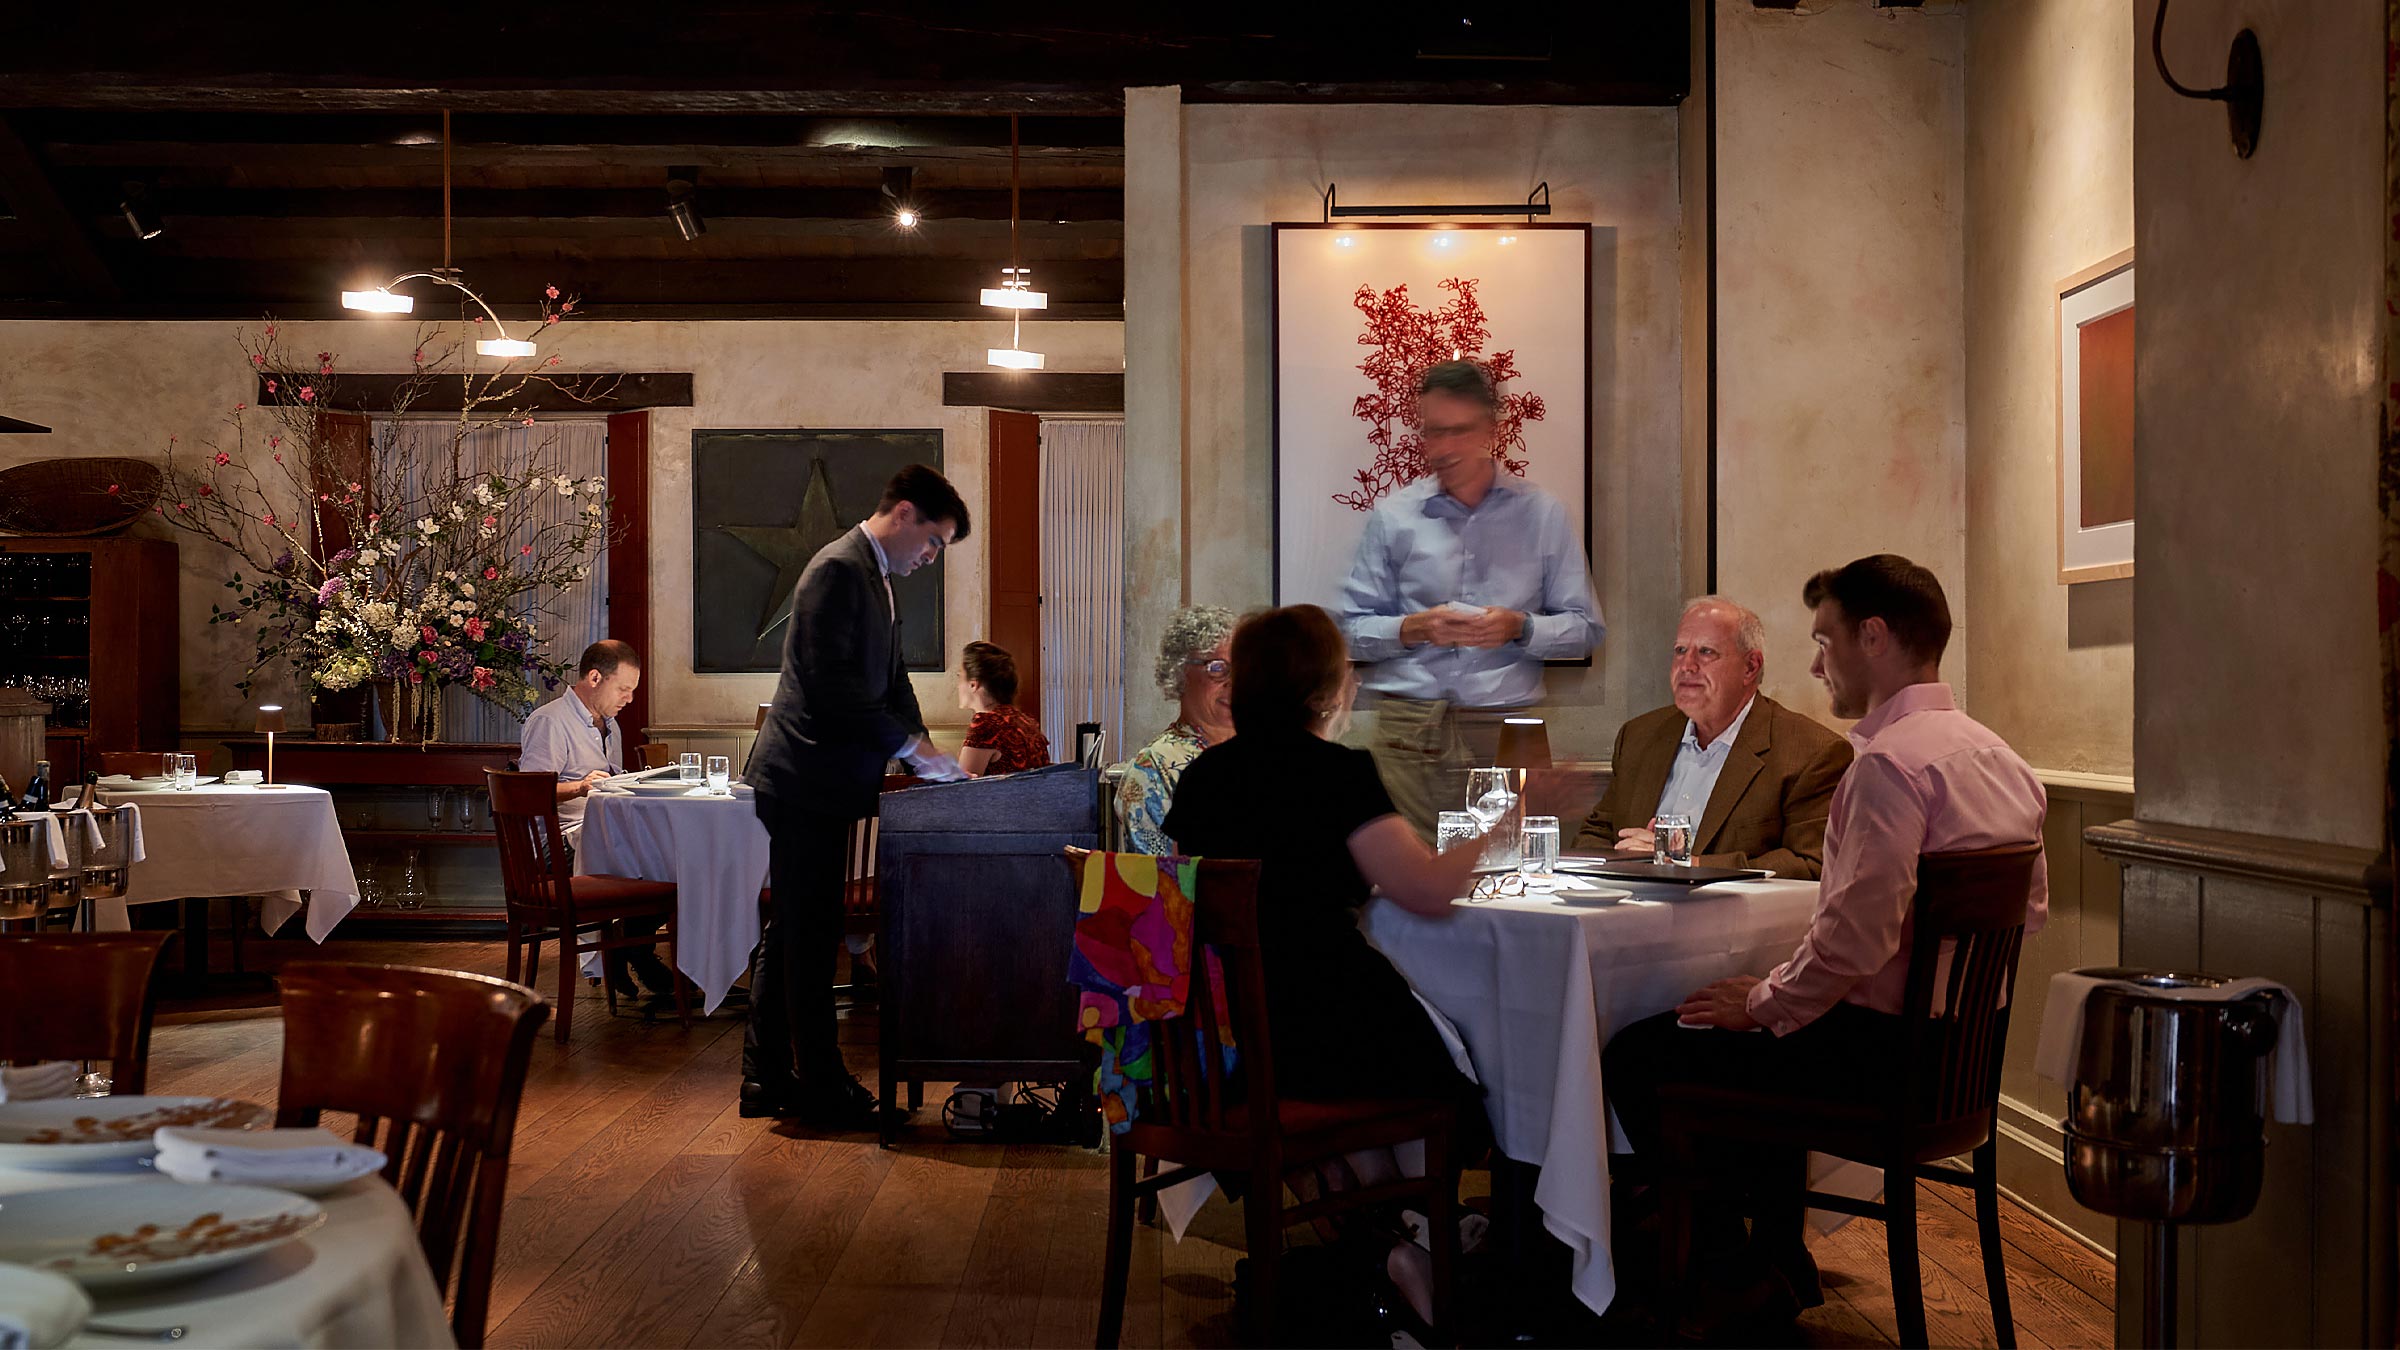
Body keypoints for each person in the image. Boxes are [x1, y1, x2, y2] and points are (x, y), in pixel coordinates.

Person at [1602, 555, 2047, 1327]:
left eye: (1824, 640)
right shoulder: (2003, 760)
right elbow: (2030, 912)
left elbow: (1853, 943)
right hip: (1956, 1063)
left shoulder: (1889, 769)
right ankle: (1765, 1258)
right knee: (1764, 1023)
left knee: (1642, 1051)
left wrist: (1767, 1002)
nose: (1815, 663)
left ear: (1871, 638)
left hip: (1876, 1063)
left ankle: (1724, 1265)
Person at [1163, 604, 1492, 1327]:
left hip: (1231, 1045)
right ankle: (1427, 1251)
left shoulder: (1203, 780)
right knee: (1445, 1075)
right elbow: (1426, 889)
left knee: (1358, 1156)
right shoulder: (1338, 773)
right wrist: (1504, 827)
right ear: (1324, 689)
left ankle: (1394, 1254)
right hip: (1331, 1025)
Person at [743, 464, 970, 1128]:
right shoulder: (838, 569)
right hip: (801, 778)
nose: (931, 558)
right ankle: (820, 1088)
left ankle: (764, 1077)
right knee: (810, 940)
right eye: (933, 541)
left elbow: (892, 679)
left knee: (796, 932)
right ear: (905, 514)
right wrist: (908, 749)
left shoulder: (876, 578)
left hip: (823, 780)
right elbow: (830, 683)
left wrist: (924, 745)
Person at [1336, 359, 1603, 842]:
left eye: (1459, 431)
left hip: (1508, 727)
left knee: (1518, 880)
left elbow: (1586, 629)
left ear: (1491, 430)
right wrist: (1413, 628)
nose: (1444, 448)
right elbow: (1349, 631)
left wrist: (1519, 627)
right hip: (1409, 730)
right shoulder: (1394, 516)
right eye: (1433, 433)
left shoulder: (1542, 514)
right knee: (1408, 892)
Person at [1572, 596, 1853, 878]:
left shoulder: (1810, 753)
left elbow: (1811, 864)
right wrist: (1626, 861)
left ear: (1750, 667)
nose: (1687, 665)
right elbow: (1595, 836)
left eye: (1706, 652)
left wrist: (1687, 864)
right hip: (1629, 913)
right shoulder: (1639, 736)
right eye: (1680, 650)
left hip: (1735, 919)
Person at [518, 639, 676, 1000]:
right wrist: (579, 787)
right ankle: (632, 949)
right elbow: (528, 793)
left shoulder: (610, 726)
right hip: (555, 845)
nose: (629, 699)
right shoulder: (550, 721)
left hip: (601, 833)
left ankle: (626, 946)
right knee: (663, 859)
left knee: (678, 858)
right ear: (594, 677)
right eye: (624, 688)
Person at [1114, 604, 1237, 854]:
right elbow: (1161, 882)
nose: (1233, 681)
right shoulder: (1151, 770)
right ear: (1180, 671)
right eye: (1217, 668)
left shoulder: (1265, 751)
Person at [956, 640, 1051, 775]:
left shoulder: (986, 725)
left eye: (959, 677)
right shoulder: (1025, 722)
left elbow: (958, 792)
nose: (957, 685)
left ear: (973, 684)